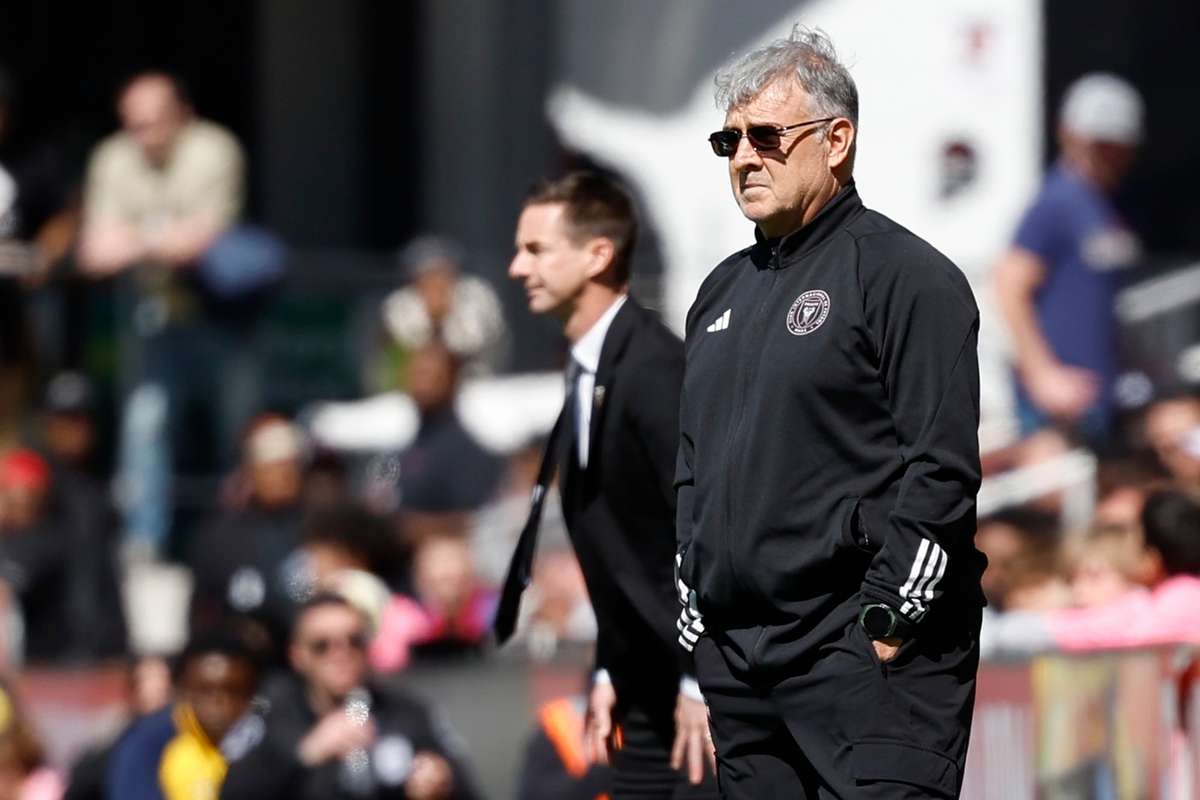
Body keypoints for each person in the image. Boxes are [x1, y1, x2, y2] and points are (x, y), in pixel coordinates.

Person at [675, 26, 985, 797]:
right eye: (730, 141)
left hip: (864, 657)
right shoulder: (718, 294)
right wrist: (695, 604)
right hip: (742, 665)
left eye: (767, 137)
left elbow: (941, 471)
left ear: (836, 140)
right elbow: (691, 468)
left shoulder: (907, 278)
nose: (744, 158)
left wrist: (890, 621)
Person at [500, 170, 715, 795]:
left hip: (697, 685)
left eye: (536, 249)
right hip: (638, 676)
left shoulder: (654, 368)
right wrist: (608, 666)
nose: (517, 267)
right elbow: (616, 540)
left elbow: (702, 529)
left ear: (599, 254)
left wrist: (699, 679)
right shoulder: (590, 367)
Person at [77, 70, 250, 558]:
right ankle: (145, 543)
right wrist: (164, 236)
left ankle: (237, 537)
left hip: (222, 310)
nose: (146, 136)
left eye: (155, 122)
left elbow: (203, 238)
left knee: (234, 427)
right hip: (151, 312)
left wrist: (135, 238)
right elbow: (94, 253)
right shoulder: (112, 157)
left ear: (183, 115)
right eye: (135, 125)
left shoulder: (215, 149)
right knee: (145, 426)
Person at [993, 73, 1144, 444]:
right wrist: (1042, 374)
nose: (1108, 156)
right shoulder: (1057, 202)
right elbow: (1009, 284)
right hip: (1057, 412)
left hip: (1099, 400)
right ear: (1068, 134)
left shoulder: (1104, 207)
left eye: (1116, 145)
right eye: (1099, 144)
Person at [220, 593, 478, 800]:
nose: (341, 653)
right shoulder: (270, 716)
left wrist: (443, 786)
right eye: (322, 645)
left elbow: (467, 788)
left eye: (354, 641)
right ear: (297, 656)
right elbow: (233, 793)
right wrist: (307, 754)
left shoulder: (409, 714)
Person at [188, 415, 307, 659]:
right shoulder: (219, 538)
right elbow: (203, 614)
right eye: (274, 465)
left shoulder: (321, 528)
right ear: (252, 471)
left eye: (290, 465)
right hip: (244, 662)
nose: (284, 475)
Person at [107, 632, 259, 800]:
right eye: (205, 691)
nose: (219, 703)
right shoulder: (150, 744)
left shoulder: (265, 750)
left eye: (233, 691)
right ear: (183, 691)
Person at [379, 235, 507, 380]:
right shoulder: (400, 305)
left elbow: (476, 342)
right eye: (427, 275)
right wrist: (432, 320)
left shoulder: (476, 295)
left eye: (442, 273)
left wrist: (445, 315)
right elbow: (406, 352)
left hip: (480, 379)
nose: (436, 282)